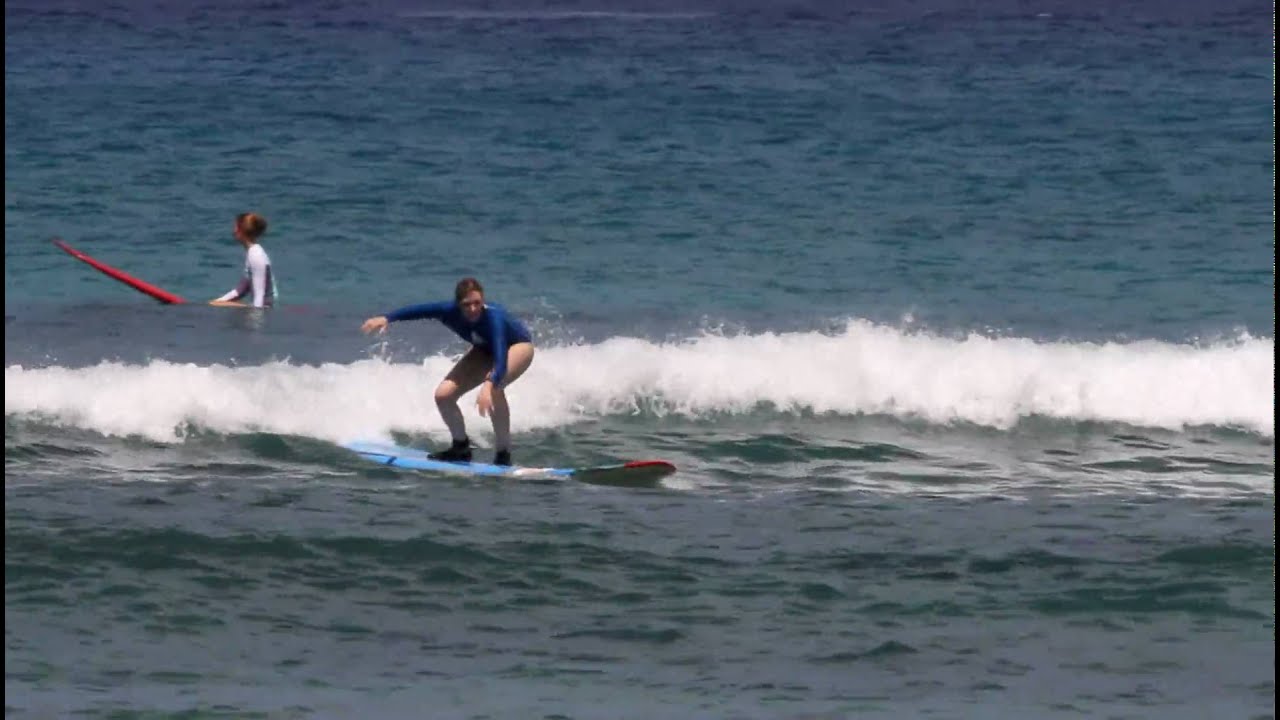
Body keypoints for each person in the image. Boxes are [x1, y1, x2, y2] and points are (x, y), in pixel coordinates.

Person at [361, 277, 535, 466]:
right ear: (458, 304)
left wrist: (489, 385)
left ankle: (503, 454)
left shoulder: (494, 317)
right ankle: (460, 448)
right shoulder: (448, 311)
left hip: (517, 347)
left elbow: (500, 355)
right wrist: (388, 318)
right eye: (467, 304)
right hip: (484, 350)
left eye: (477, 303)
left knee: (495, 388)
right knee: (443, 395)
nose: (473, 309)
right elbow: (418, 310)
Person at [210, 212, 278, 308]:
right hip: (259, 308)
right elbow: (240, 290)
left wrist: (257, 321)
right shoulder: (252, 252)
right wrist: (215, 302)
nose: (233, 231)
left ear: (241, 231)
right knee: (217, 304)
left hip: (264, 310)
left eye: (236, 227)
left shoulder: (256, 255)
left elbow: (260, 297)